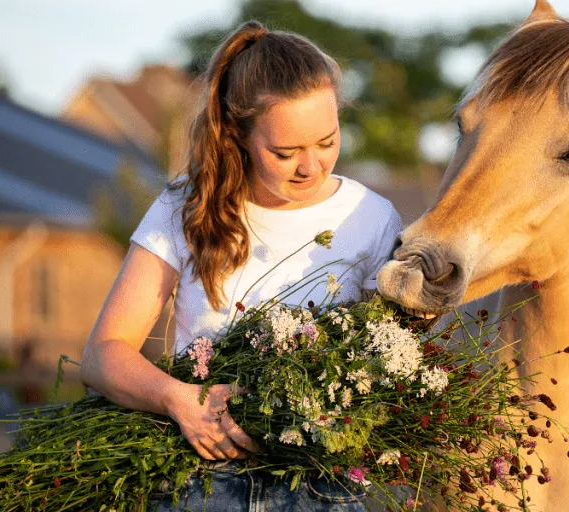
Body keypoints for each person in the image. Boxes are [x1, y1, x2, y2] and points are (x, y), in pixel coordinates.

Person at [80, 20, 403, 511]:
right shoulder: (183, 208)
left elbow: (394, 359)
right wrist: (177, 399)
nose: (311, 166)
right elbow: (103, 354)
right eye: (285, 151)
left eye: (327, 141)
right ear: (239, 134)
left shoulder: (372, 218)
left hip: (321, 491)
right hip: (201, 487)